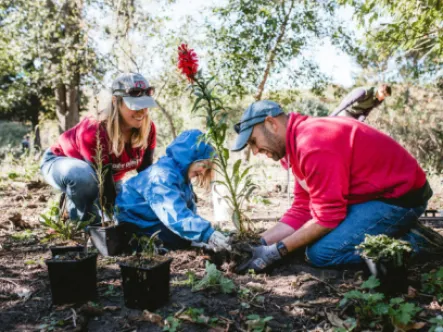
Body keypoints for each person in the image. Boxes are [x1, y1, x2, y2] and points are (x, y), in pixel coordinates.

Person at [231, 100, 442, 273]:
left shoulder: (311, 144)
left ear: (271, 124)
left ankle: (414, 242)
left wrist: (276, 251)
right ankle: (391, 229)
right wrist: (260, 243)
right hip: (372, 196)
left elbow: (328, 217)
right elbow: (303, 209)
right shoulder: (296, 147)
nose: (255, 151)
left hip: (400, 198)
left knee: (322, 254)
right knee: (307, 240)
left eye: (253, 141)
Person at [40, 73, 158, 223]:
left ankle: (76, 205)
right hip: (61, 164)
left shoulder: (148, 128)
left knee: (132, 209)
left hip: (106, 179)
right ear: (115, 101)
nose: (142, 112)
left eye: (145, 105)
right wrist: (114, 220)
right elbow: (104, 182)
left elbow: (146, 173)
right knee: (85, 180)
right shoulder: (95, 129)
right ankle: (78, 222)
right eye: (135, 106)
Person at [115, 129, 231, 251]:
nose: (203, 171)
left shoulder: (181, 176)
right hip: (135, 225)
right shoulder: (162, 176)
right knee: (177, 242)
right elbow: (175, 215)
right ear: (188, 158)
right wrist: (207, 234)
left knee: (183, 240)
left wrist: (198, 237)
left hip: (152, 221)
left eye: (207, 168)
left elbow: (188, 210)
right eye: (202, 165)